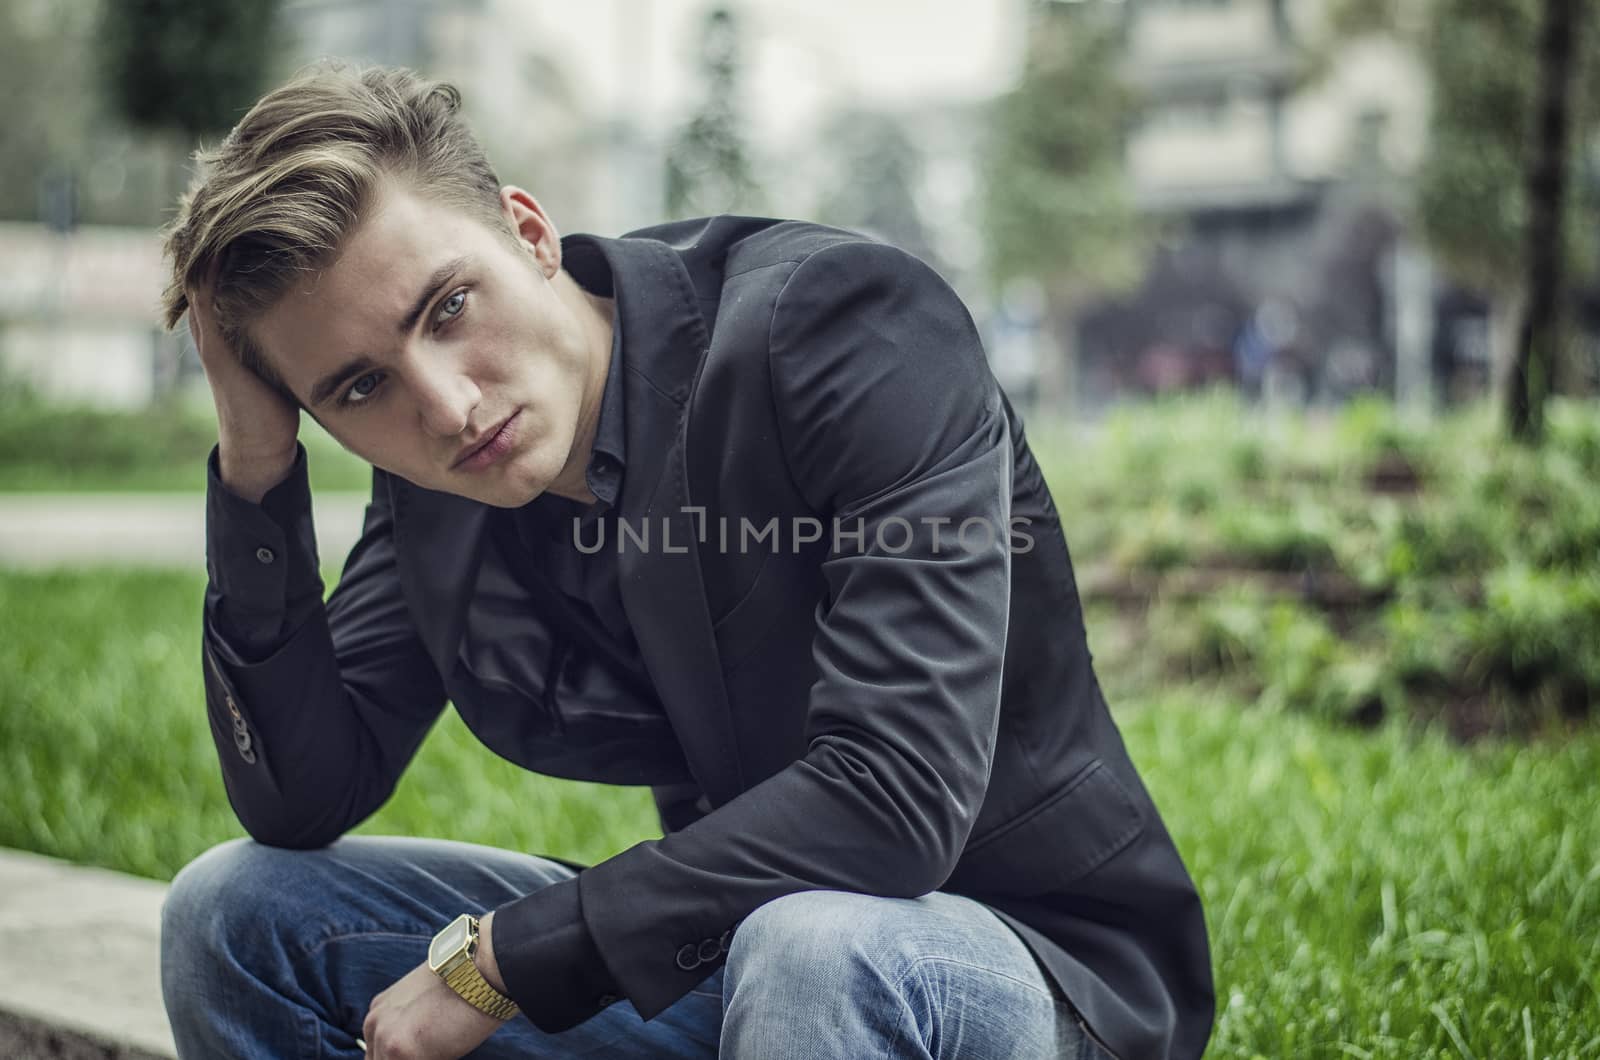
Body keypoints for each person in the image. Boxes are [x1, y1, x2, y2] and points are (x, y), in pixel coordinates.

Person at [157, 63, 1213, 1060]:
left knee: (815, 946)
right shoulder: (440, 481)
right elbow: (300, 801)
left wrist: (507, 961)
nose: (446, 405)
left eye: (449, 307)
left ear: (529, 232)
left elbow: (894, 799)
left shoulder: (844, 328)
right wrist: (256, 467)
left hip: (1021, 966)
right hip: (731, 961)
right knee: (236, 912)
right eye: (356, 389)